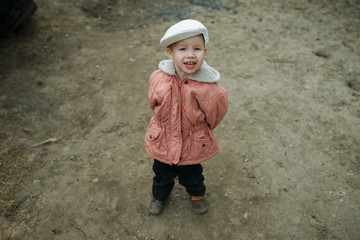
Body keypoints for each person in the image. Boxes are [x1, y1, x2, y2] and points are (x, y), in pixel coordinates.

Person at [145, 19, 228, 215]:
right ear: (170, 53)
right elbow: (153, 102)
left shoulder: (210, 89)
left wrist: (199, 130)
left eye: (197, 48)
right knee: (161, 173)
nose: (190, 54)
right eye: (182, 49)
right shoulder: (159, 78)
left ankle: (197, 195)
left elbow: (215, 114)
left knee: (193, 175)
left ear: (204, 53)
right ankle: (160, 196)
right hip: (163, 139)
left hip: (192, 142)